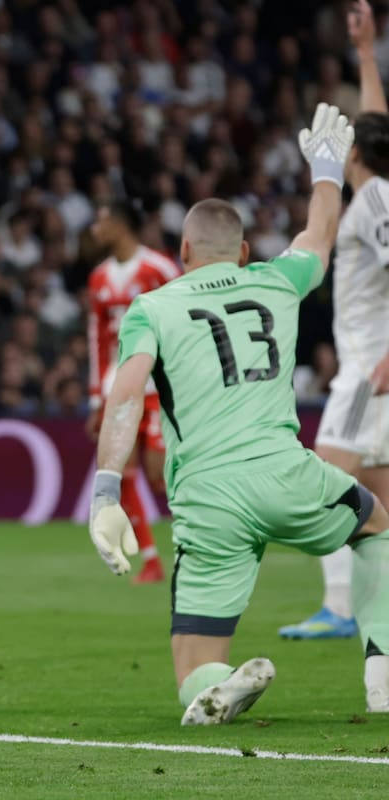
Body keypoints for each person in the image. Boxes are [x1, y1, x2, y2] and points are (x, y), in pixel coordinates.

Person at [89, 103, 389, 725]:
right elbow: (320, 234)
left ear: (183, 249)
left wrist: (107, 489)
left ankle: (218, 682)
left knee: (191, 670)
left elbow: (126, 394)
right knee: (376, 524)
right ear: (245, 250)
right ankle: (382, 664)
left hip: (208, 498)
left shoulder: (152, 307)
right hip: (289, 472)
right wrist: (326, 171)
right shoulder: (276, 281)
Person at [279, 0, 389, 641]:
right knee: (373, 494)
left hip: (368, 372)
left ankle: (342, 609)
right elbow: (378, 126)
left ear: (355, 154)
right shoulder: (378, 191)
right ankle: (355, 609)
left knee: (326, 478)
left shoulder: (373, 200)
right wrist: (367, 53)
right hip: (367, 369)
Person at [85, 200, 180, 583]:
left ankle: (205, 540)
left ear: (120, 225)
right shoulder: (99, 278)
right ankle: (152, 561)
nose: (95, 229)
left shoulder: (160, 268)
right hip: (118, 388)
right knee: (121, 473)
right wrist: (97, 397)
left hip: (158, 386)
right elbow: (97, 338)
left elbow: (183, 321)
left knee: (160, 475)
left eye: (101, 221)